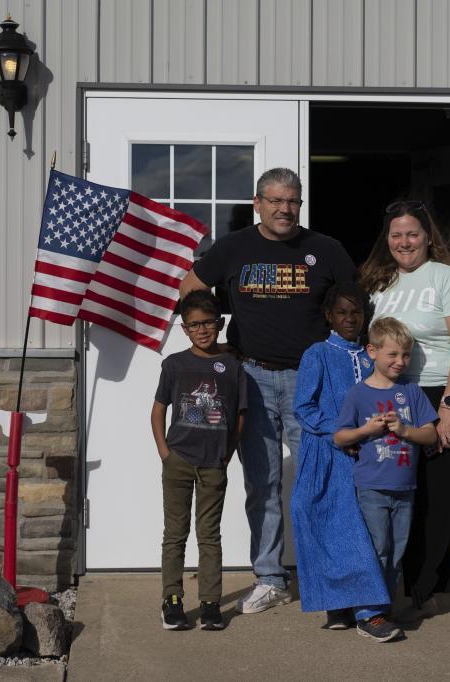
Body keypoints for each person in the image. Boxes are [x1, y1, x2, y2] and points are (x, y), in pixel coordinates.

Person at [179, 167, 357, 614]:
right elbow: (192, 286)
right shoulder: (234, 248)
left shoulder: (325, 249)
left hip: (309, 380)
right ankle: (271, 578)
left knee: (324, 479)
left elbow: (353, 305)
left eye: (293, 201)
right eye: (276, 200)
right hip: (251, 379)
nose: (285, 208)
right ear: (258, 204)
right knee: (264, 482)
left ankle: (330, 578)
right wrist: (212, 342)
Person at [360, 200, 450, 633]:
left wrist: (448, 410)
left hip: (440, 393)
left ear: (428, 236)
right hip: (397, 393)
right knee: (406, 491)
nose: (403, 242)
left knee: (446, 491)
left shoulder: (448, 278)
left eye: (412, 233)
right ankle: (423, 592)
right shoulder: (383, 283)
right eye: (396, 235)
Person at [290, 282, 391, 631]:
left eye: (357, 312)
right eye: (342, 312)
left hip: (369, 454)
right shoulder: (317, 353)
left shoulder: (372, 354)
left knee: (361, 528)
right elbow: (303, 407)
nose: (350, 319)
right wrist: (341, 433)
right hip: (326, 451)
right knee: (319, 519)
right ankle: (337, 603)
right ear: (329, 316)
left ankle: (367, 611)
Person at [334, 317, 438, 642]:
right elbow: (340, 437)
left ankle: (382, 606)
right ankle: (368, 614)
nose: (400, 362)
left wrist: (404, 430)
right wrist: (368, 430)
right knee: (377, 548)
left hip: (405, 488)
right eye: (392, 354)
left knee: (396, 551)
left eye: (406, 355)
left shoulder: (411, 392)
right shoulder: (358, 394)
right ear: (372, 352)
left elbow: (431, 433)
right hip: (372, 487)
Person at [150, 290, 247, 631]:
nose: (203, 330)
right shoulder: (174, 364)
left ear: (219, 324)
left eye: (208, 322)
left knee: (209, 535)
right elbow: (159, 409)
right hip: (178, 459)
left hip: (213, 464)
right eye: (195, 325)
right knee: (175, 533)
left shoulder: (233, 367)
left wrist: (226, 454)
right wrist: (165, 451)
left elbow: (239, 417)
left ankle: (209, 603)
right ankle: (172, 600)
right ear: (185, 329)